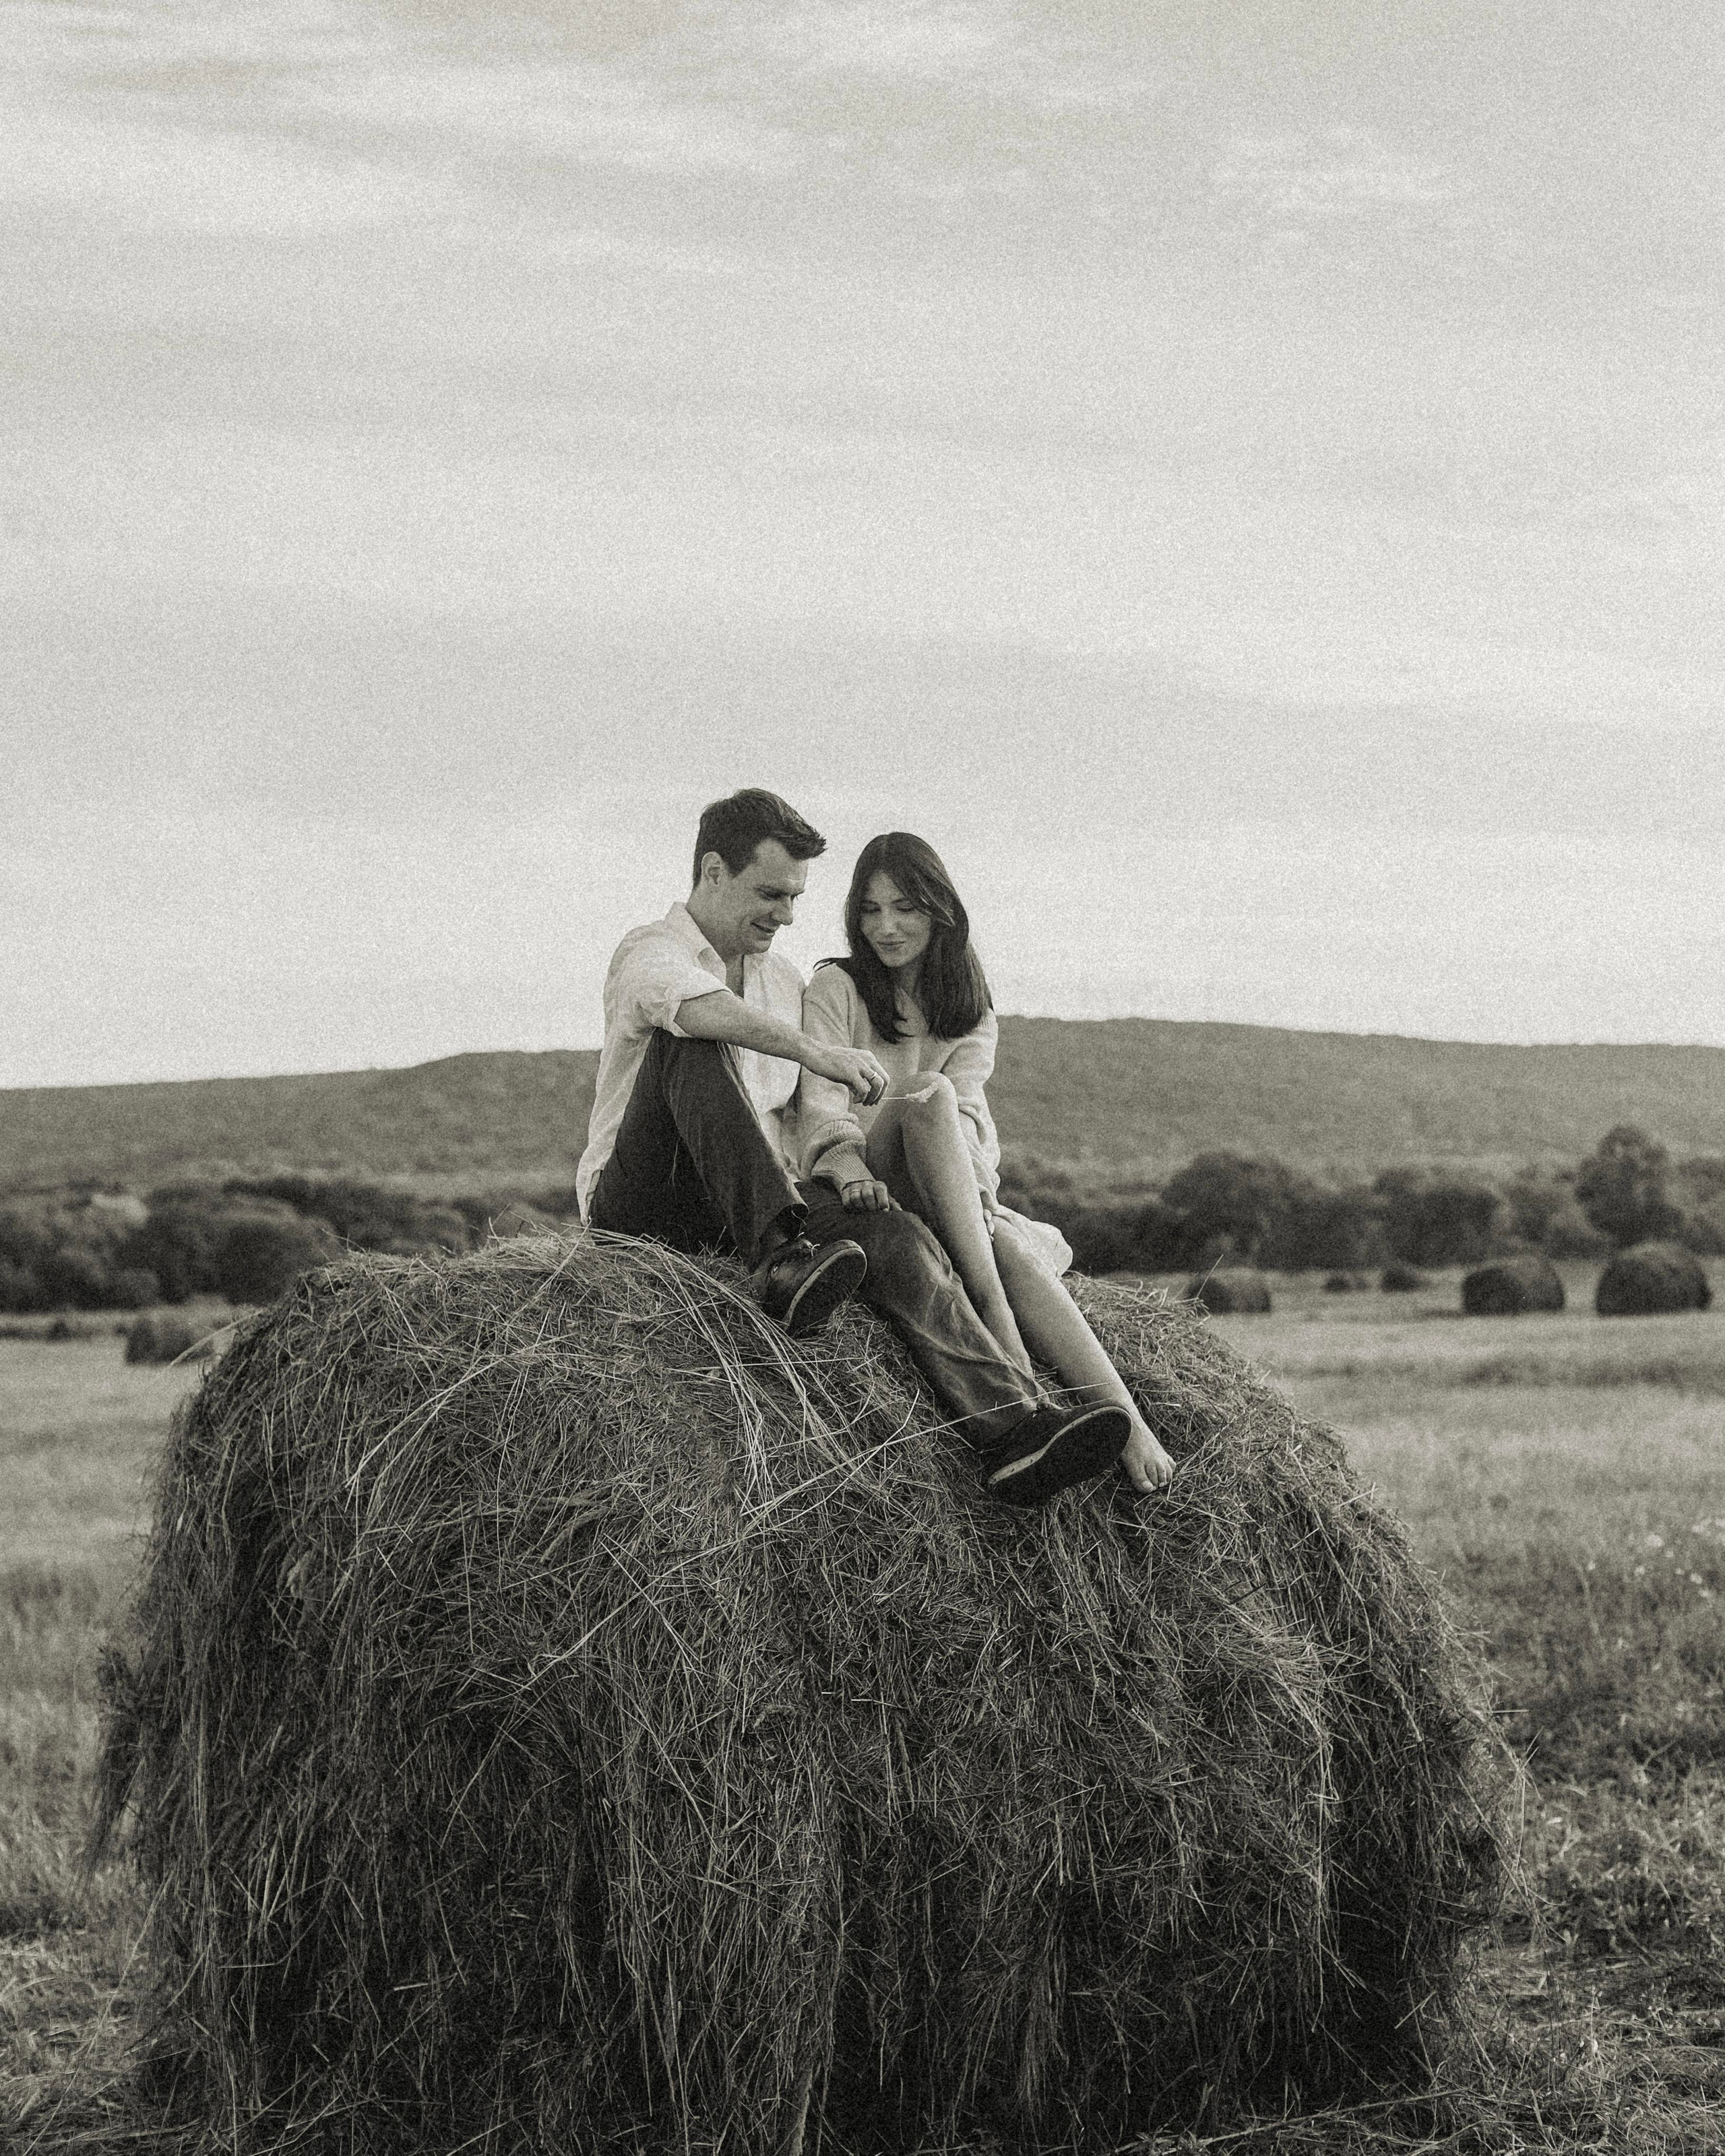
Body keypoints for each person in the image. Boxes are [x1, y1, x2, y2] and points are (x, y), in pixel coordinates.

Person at [576, 788, 1136, 1505]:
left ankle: (1013, 1428)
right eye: (770, 893)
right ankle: (780, 1258)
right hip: (646, 1201)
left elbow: (796, 1124)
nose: (785, 914)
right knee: (694, 1039)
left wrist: (841, 1174)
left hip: (750, 1198)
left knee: (893, 1233)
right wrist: (823, 1053)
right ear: (713, 872)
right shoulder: (651, 949)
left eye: (795, 898)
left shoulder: (782, 978)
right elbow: (698, 1009)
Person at [797, 831, 1175, 1497]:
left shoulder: (969, 1011)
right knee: (927, 1091)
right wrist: (845, 1159)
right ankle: (1002, 1330)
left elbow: (970, 1121)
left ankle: (1133, 1426)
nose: (884, 926)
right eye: (870, 908)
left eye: (904, 907)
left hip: (942, 1180)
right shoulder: (837, 985)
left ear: (941, 908)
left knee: (1005, 1241)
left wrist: (973, 1199)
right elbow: (820, 1097)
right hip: (859, 1181)